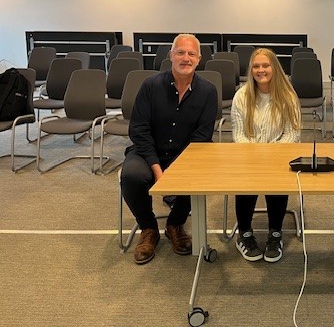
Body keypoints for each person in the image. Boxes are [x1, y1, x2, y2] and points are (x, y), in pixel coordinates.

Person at [121, 34, 217, 265]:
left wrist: (176, 171)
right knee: (132, 176)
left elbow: (202, 136)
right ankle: (148, 228)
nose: (186, 58)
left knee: (197, 173)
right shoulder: (151, 86)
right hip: (148, 151)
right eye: (181, 52)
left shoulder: (208, 91)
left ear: (199, 59)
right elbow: (139, 129)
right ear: (171, 56)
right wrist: (158, 169)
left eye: (191, 54)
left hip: (186, 153)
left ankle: (175, 223)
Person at [231, 48, 301, 263]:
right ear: (251, 70)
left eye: (265, 65)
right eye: (256, 66)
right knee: (246, 181)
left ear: (274, 68)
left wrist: (271, 156)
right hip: (248, 156)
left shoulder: (288, 96)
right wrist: (255, 157)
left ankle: (275, 234)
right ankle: (244, 233)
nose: (261, 70)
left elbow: (292, 133)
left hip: (278, 156)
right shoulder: (242, 96)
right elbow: (238, 133)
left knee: (276, 181)